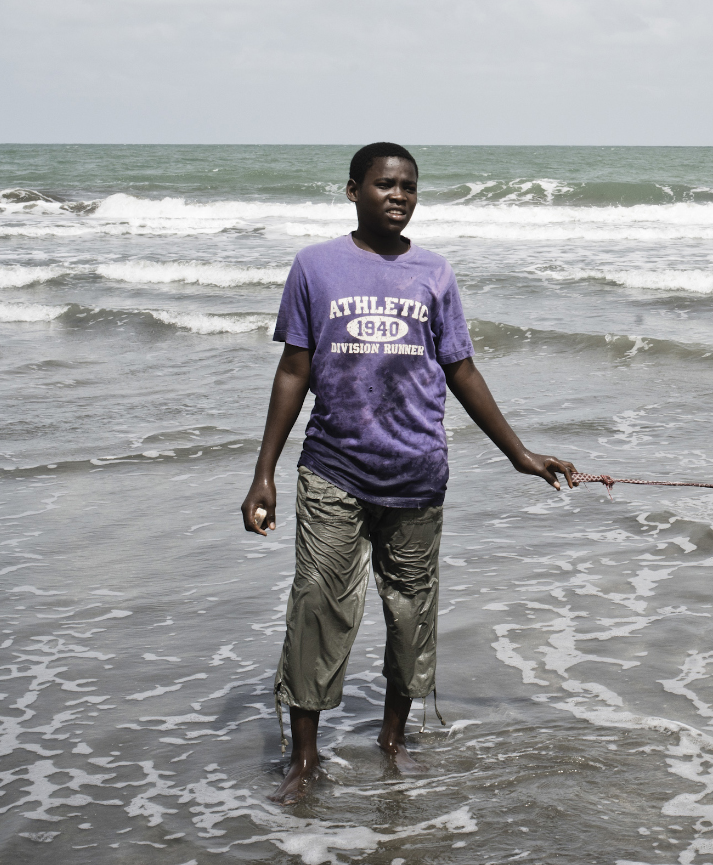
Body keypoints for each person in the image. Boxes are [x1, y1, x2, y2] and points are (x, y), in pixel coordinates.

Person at [239, 142, 577, 803]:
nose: (399, 195)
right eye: (385, 184)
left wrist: (520, 453)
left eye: (409, 186)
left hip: (417, 473)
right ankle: (303, 759)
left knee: (410, 612)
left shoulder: (434, 273)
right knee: (318, 608)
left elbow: (461, 369)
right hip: (333, 469)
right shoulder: (314, 267)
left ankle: (393, 741)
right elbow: (294, 370)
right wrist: (264, 473)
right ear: (353, 190)